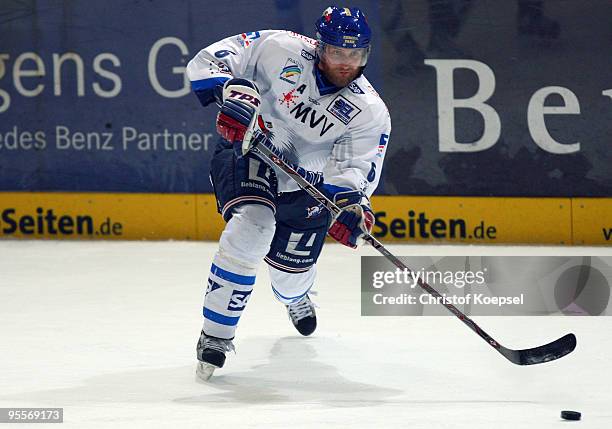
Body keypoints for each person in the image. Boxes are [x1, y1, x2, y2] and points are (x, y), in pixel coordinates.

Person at [186, 6, 391, 380]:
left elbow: (353, 170)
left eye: (355, 55)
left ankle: (295, 297)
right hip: (249, 150)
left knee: (290, 277)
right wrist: (231, 91)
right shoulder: (278, 47)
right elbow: (210, 61)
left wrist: (349, 208)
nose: (346, 64)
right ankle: (215, 335)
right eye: (337, 53)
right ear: (319, 46)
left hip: (306, 185)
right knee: (253, 225)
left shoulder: (369, 111)